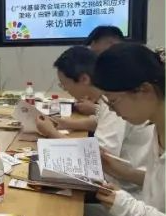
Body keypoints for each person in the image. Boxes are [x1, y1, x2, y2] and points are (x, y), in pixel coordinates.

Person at [36, 46, 152, 196]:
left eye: (64, 84)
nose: (65, 89)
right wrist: (65, 123)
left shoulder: (118, 103)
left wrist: (51, 133)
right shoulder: (110, 99)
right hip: (118, 186)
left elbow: (94, 159)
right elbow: (99, 121)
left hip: (124, 192)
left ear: (84, 79)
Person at [90, 43, 165, 216]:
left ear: (144, 90)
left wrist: (125, 206)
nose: (111, 110)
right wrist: (121, 170)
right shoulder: (156, 125)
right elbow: (157, 188)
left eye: (113, 101)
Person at [76, 25, 125, 116]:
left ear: (113, 44)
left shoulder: (127, 73)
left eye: (97, 53)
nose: (96, 60)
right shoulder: (110, 72)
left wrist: (95, 109)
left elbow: (118, 115)